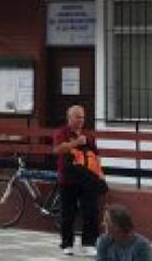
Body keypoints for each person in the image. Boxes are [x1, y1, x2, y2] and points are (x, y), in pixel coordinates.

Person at [55, 104, 100, 256]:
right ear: (70, 118)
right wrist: (76, 143)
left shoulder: (88, 134)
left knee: (91, 211)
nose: (81, 120)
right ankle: (67, 244)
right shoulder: (62, 132)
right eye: (78, 117)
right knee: (68, 212)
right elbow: (58, 149)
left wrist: (98, 174)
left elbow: (95, 154)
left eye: (83, 117)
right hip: (68, 179)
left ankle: (89, 243)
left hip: (87, 178)